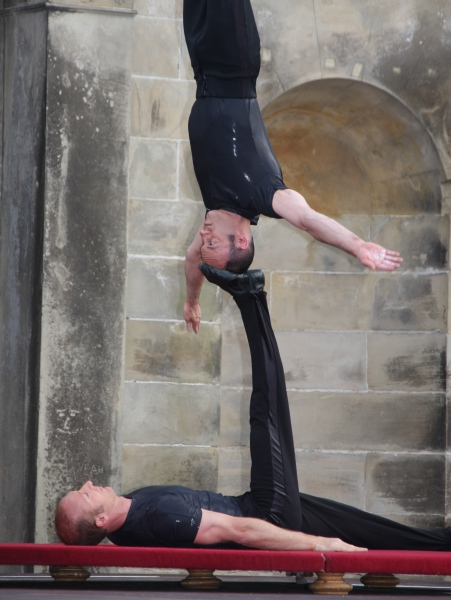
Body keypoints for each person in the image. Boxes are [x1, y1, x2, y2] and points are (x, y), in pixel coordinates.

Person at [55, 267, 450, 551]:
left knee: (365, 529)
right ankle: (249, 296)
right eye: (85, 495)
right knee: (266, 411)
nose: (89, 485)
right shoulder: (157, 516)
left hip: (258, 506)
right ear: (102, 521)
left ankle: (440, 544)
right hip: (267, 514)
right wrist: (318, 546)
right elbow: (239, 531)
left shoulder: (128, 515)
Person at [183, 0, 403, 334]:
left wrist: (192, 302)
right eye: (211, 243)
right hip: (231, 60)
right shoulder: (261, 193)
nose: (202, 237)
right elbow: (308, 220)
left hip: (201, 63)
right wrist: (358, 246)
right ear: (241, 241)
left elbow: (192, 262)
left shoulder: (216, 207)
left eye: (204, 243)